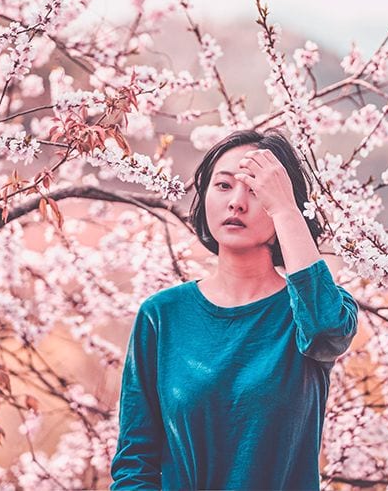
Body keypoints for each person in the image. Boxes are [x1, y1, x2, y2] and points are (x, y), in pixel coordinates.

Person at [110, 129, 359, 490]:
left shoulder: (310, 312)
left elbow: (326, 334)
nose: (237, 203)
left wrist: (288, 211)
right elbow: (135, 463)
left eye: (256, 190)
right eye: (224, 186)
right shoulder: (162, 317)